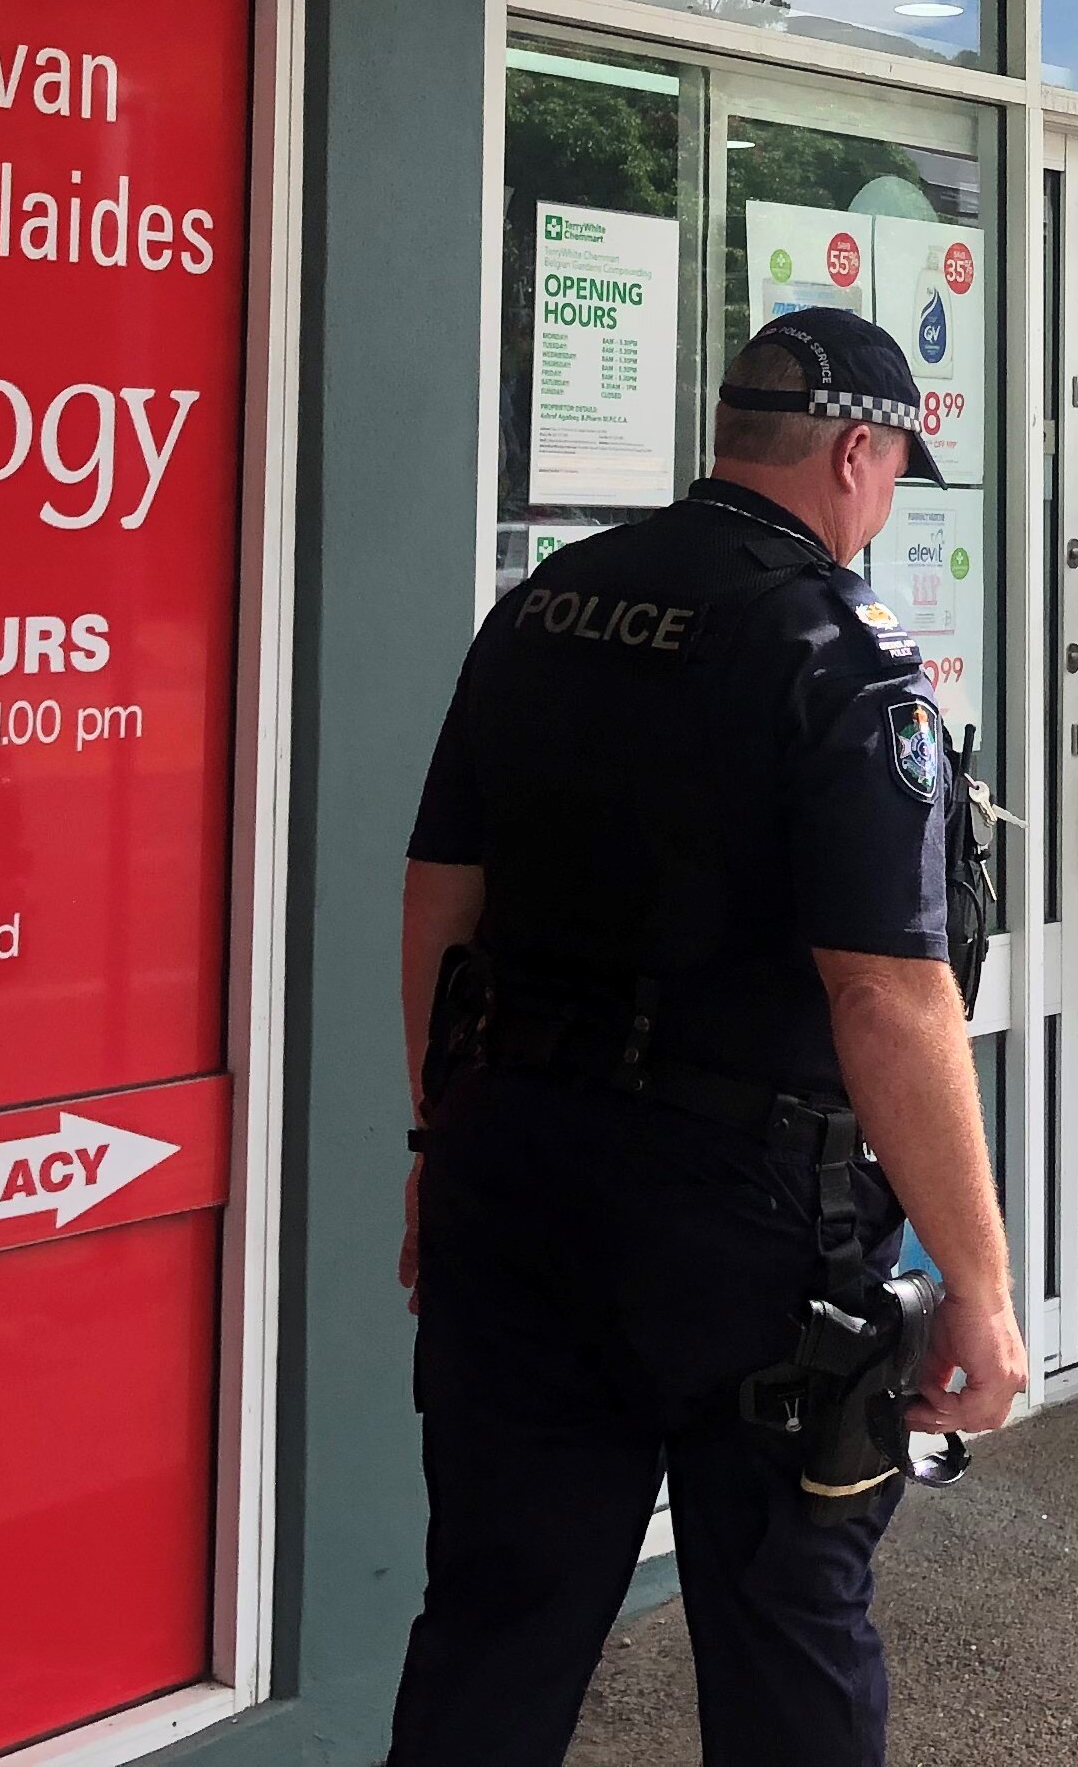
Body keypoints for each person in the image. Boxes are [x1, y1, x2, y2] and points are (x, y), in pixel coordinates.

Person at [389, 308, 1027, 1767]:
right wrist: (980, 1286)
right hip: (743, 1231)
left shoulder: (548, 605)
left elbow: (440, 905)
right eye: (892, 472)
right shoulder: (836, 654)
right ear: (857, 452)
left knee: (496, 1619)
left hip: (515, 1182)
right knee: (786, 1632)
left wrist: (439, 1136)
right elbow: (888, 996)